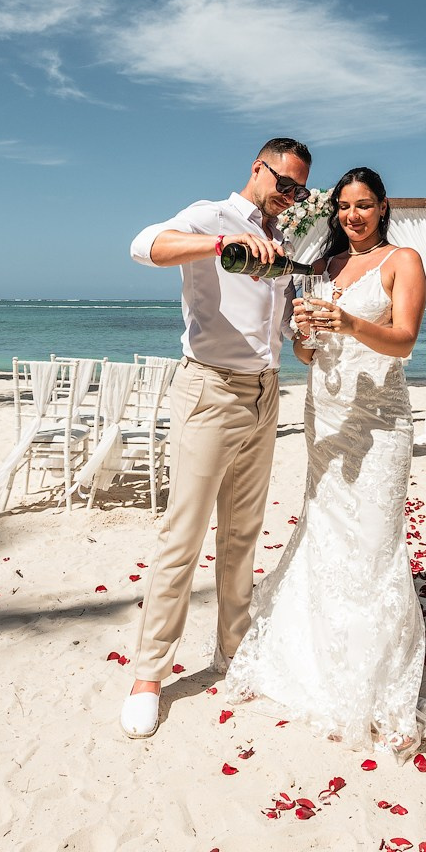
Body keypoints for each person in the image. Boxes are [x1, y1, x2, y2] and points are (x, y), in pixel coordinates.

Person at [221, 166, 426, 755]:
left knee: (373, 541)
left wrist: (345, 320)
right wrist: (308, 335)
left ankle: (371, 678)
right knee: (324, 531)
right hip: (327, 415)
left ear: (383, 207)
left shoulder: (404, 261)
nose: (352, 216)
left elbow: (405, 340)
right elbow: (307, 352)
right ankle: (311, 660)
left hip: (379, 423)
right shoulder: (326, 267)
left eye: (363, 205)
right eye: (343, 207)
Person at [119, 137, 312, 739]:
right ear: (259, 169)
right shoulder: (212, 216)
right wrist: (221, 244)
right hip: (209, 390)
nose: (290, 197)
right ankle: (149, 676)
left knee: (243, 533)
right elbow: (143, 246)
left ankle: (233, 650)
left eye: (300, 191)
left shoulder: (284, 243)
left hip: (265, 391)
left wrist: (304, 327)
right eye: (284, 184)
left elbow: (278, 329)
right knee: (183, 534)